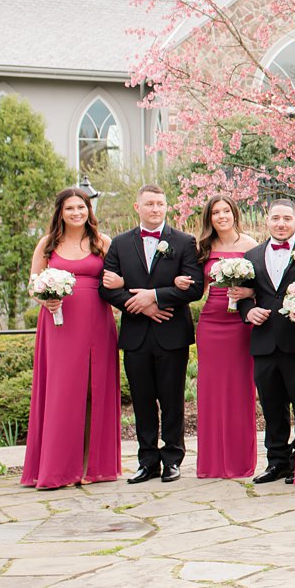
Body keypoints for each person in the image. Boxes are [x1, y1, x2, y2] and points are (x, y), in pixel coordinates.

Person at [100, 184, 204, 483]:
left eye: (160, 203)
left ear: (166, 206)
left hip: (171, 333)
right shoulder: (119, 244)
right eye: (149, 204)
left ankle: (173, 459)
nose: (155, 209)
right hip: (136, 335)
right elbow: (105, 289)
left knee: (172, 400)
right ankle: (147, 461)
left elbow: (195, 288)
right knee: (142, 400)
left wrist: (156, 295)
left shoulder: (184, 242)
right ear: (138, 208)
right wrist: (142, 306)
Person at [22, 188, 121, 489]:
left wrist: (121, 281)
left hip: (97, 323)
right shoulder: (48, 244)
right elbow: (32, 284)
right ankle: (57, 468)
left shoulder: (102, 242)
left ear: (89, 210)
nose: (76, 213)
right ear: (60, 212)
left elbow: (119, 279)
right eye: (70, 208)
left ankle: (93, 467)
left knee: (95, 390)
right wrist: (44, 300)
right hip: (59, 324)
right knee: (62, 393)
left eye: (81, 207)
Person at [235, 200, 295, 484]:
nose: (281, 224)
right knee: (272, 406)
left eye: (287, 218)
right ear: (267, 220)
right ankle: (276, 462)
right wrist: (247, 312)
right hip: (264, 342)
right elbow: (241, 295)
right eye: (276, 218)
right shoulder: (251, 255)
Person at [193, 195, 259, 479]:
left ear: (235, 213)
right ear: (209, 218)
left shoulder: (252, 245)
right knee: (210, 391)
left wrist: (248, 293)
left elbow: (265, 285)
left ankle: (239, 459)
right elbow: (196, 288)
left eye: (226, 211)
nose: (221, 216)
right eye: (215, 212)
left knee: (240, 389)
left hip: (240, 324)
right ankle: (212, 462)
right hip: (211, 322)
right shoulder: (203, 248)